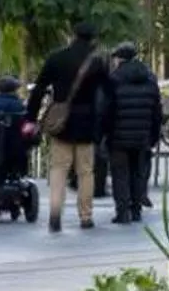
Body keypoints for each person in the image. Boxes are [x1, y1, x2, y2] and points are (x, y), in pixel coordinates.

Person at [26, 22, 112, 233]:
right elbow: (108, 94)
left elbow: (39, 88)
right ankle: (86, 216)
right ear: (93, 39)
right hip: (87, 123)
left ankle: (55, 214)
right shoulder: (98, 62)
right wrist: (104, 124)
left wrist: (31, 117)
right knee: (85, 171)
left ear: (73, 35)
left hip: (61, 123)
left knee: (59, 169)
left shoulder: (57, 58)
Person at [104, 42, 163, 224]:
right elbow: (157, 112)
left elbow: (106, 110)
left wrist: (105, 134)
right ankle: (136, 210)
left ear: (119, 59)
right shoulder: (150, 79)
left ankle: (122, 212)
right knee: (138, 173)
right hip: (142, 137)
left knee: (120, 174)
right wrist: (153, 136)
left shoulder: (113, 80)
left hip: (118, 138)